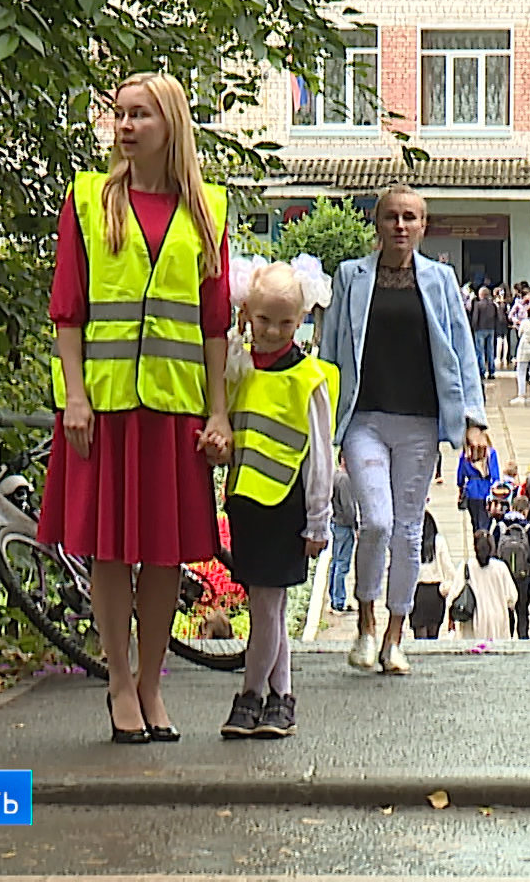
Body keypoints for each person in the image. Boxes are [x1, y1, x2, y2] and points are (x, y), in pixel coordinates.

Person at [40, 71, 230, 744]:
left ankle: (153, 683)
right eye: (119, 114)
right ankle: (119, 682)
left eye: (139, 115)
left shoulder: (210, 210)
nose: (124, 126)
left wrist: (218, 414)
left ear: (169, 125)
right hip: (108, 406)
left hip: (174, 411)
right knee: (110, 552)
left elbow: (214, 325)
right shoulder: (89, 200)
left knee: (163, 554)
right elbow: (68, 311)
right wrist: (75, 398)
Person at [319, 184, 491, 675]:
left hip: (419, 424)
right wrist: (323, 425)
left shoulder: (439, 280)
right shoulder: (351, 278)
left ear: (423, 225)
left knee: (408, 532)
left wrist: (473, 419)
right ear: (377, 224)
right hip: (365, 420)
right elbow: (330, 353)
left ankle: (397, 636)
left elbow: (461, 351)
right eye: (391, 217)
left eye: (410, 217)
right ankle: (367, 625)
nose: (400, 226)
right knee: (375, 522)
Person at [215, 261, 336, 739]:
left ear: (302, 319)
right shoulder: (237, 365)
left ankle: (250, 695)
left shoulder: (308, 378)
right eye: (263, 319)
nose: (273, 330)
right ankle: (281, 698)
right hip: (245, 501)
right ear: (246, 311)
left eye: (286, 322)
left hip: (286, 508)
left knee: (266, 608)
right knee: (270, 607)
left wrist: (318, 521)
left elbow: (321, 458)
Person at [452, 530, 518, 641]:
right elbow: (512, 597)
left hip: (473, 622)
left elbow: (454, 596)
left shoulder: (466, 567)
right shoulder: (501, 568)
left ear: (474, 547)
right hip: (498, 620)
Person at [407, 511, 456, 640]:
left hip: (418, 592)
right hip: (436, 593)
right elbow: (449, 569)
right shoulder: (439, 541)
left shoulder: (412, 542)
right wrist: (446, 588)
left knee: (419, 635)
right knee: (433, 635)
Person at [496, 495, 530, 638]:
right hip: (523, 576)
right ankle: (523, 637)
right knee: (523, 610)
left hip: (504, 576)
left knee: (506, 608)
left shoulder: (500, 526)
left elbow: (493, 550)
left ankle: (507, 636)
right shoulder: (528, 528)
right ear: (526, 510)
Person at [327, 461, 361, 614]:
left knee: (336, 562)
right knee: (342, 564)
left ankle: (334, 597)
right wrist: (356, 526)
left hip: (336, 522)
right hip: (344, 525)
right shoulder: (345, 479)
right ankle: (338, 601)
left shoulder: (335, 476)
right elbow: (349, 507)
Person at [457, 440, 499, 535]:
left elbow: (460, 476)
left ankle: (478, 543)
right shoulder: (490, 453)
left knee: (475, 523)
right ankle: (486, 542)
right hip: (486, 491)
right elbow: (495, 476)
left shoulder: (466, 455)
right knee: (486, 523)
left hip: (472, 491)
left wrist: (461, 487)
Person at [469, 285, 503, 379]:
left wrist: (473, 327)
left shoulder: (478, 305)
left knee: (480, 351)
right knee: (490, 351)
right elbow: (498, 318)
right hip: (491, 329)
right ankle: (491, 372)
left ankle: (482, 371)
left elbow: (475, 318)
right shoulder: (493, 305)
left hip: (480, 329)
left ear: (481, 295)